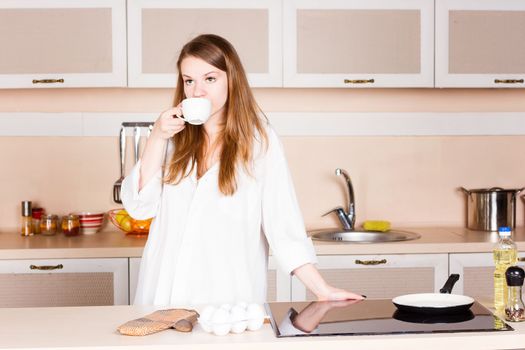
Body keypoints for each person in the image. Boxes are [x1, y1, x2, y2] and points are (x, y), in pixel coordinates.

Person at [121, 34, 364, 307]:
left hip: (227, 302)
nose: (197, 91)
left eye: (210, 79)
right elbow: (139, 207)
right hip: (163, 295)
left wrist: (322, 290)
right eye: (189, 81)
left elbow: (283, 226)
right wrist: (156, 136)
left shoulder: (260, 142)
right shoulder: (173, 139)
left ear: (231, 80)